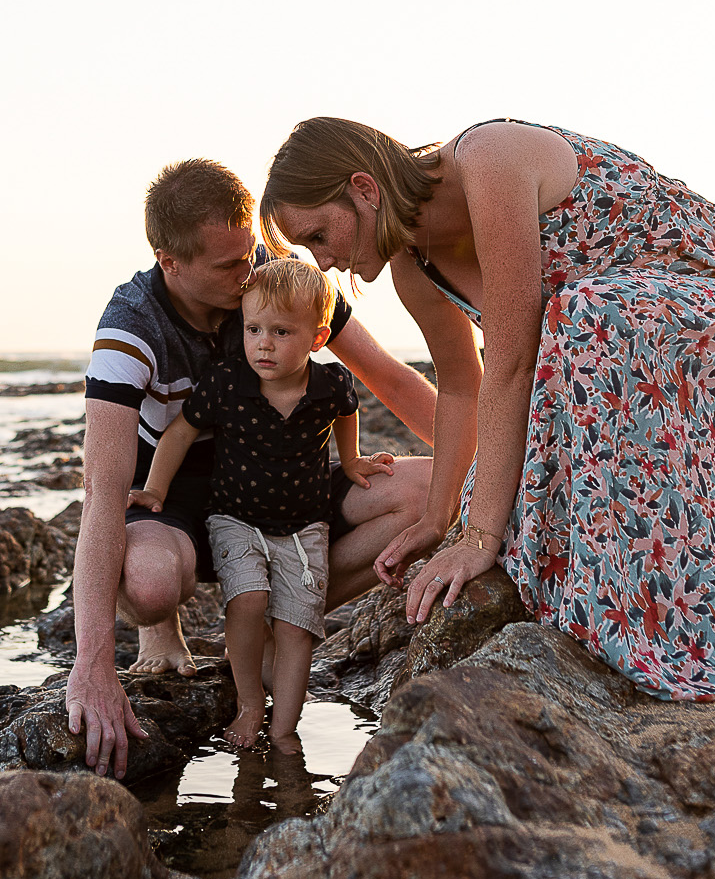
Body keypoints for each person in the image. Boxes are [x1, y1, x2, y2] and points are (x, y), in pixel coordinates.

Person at [258, 117, 715, 702]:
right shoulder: (414, 268)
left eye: (318, 236)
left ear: (364, 189)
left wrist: (479, 535)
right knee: (517, 468)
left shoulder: (488, 160)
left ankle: (666, 602)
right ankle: (633, 584)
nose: (321, 263)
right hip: (624, 354)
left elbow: (514, 357)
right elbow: (459, 387)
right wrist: (437, 517)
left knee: (581, 319)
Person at [66, 158, 438, 777]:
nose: (250, 274)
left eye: (252, 253)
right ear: (170, 261)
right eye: (229, 265)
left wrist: (495, 475)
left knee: (434, 490)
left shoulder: (273, 277)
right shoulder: (131, 326)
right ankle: (164, 627)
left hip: (286, 478)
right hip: (181, 496)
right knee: (151, 585)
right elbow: (102, 491)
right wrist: (93, 666)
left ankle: (279, 621)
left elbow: (389, 377)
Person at [136, 258, 392, 753]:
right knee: (250, 599)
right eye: (253, 329)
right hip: (235, 519)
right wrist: (155, 491)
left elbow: (347, 412)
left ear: (317, 338)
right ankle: (251, 703)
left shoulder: (330, 384)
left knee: (298, 627)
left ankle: (284, 729)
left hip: (305, 528)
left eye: (280, 331)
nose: (264, 343)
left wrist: (353, 459)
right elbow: (181, 430)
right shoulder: (228, 383)